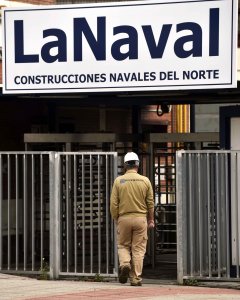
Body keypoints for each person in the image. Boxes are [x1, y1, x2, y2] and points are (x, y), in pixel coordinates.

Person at [110, 152, 155, 286]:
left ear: (125, 165)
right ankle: (135, 278)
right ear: (137, 164)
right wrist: (151, 219)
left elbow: (113, 203)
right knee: (138, 249)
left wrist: (116, 218)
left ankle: (124, 264)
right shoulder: (145, 180)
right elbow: (150, 203)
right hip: (141, 219)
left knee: (123, 245)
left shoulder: (119, 181)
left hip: (124, 218)